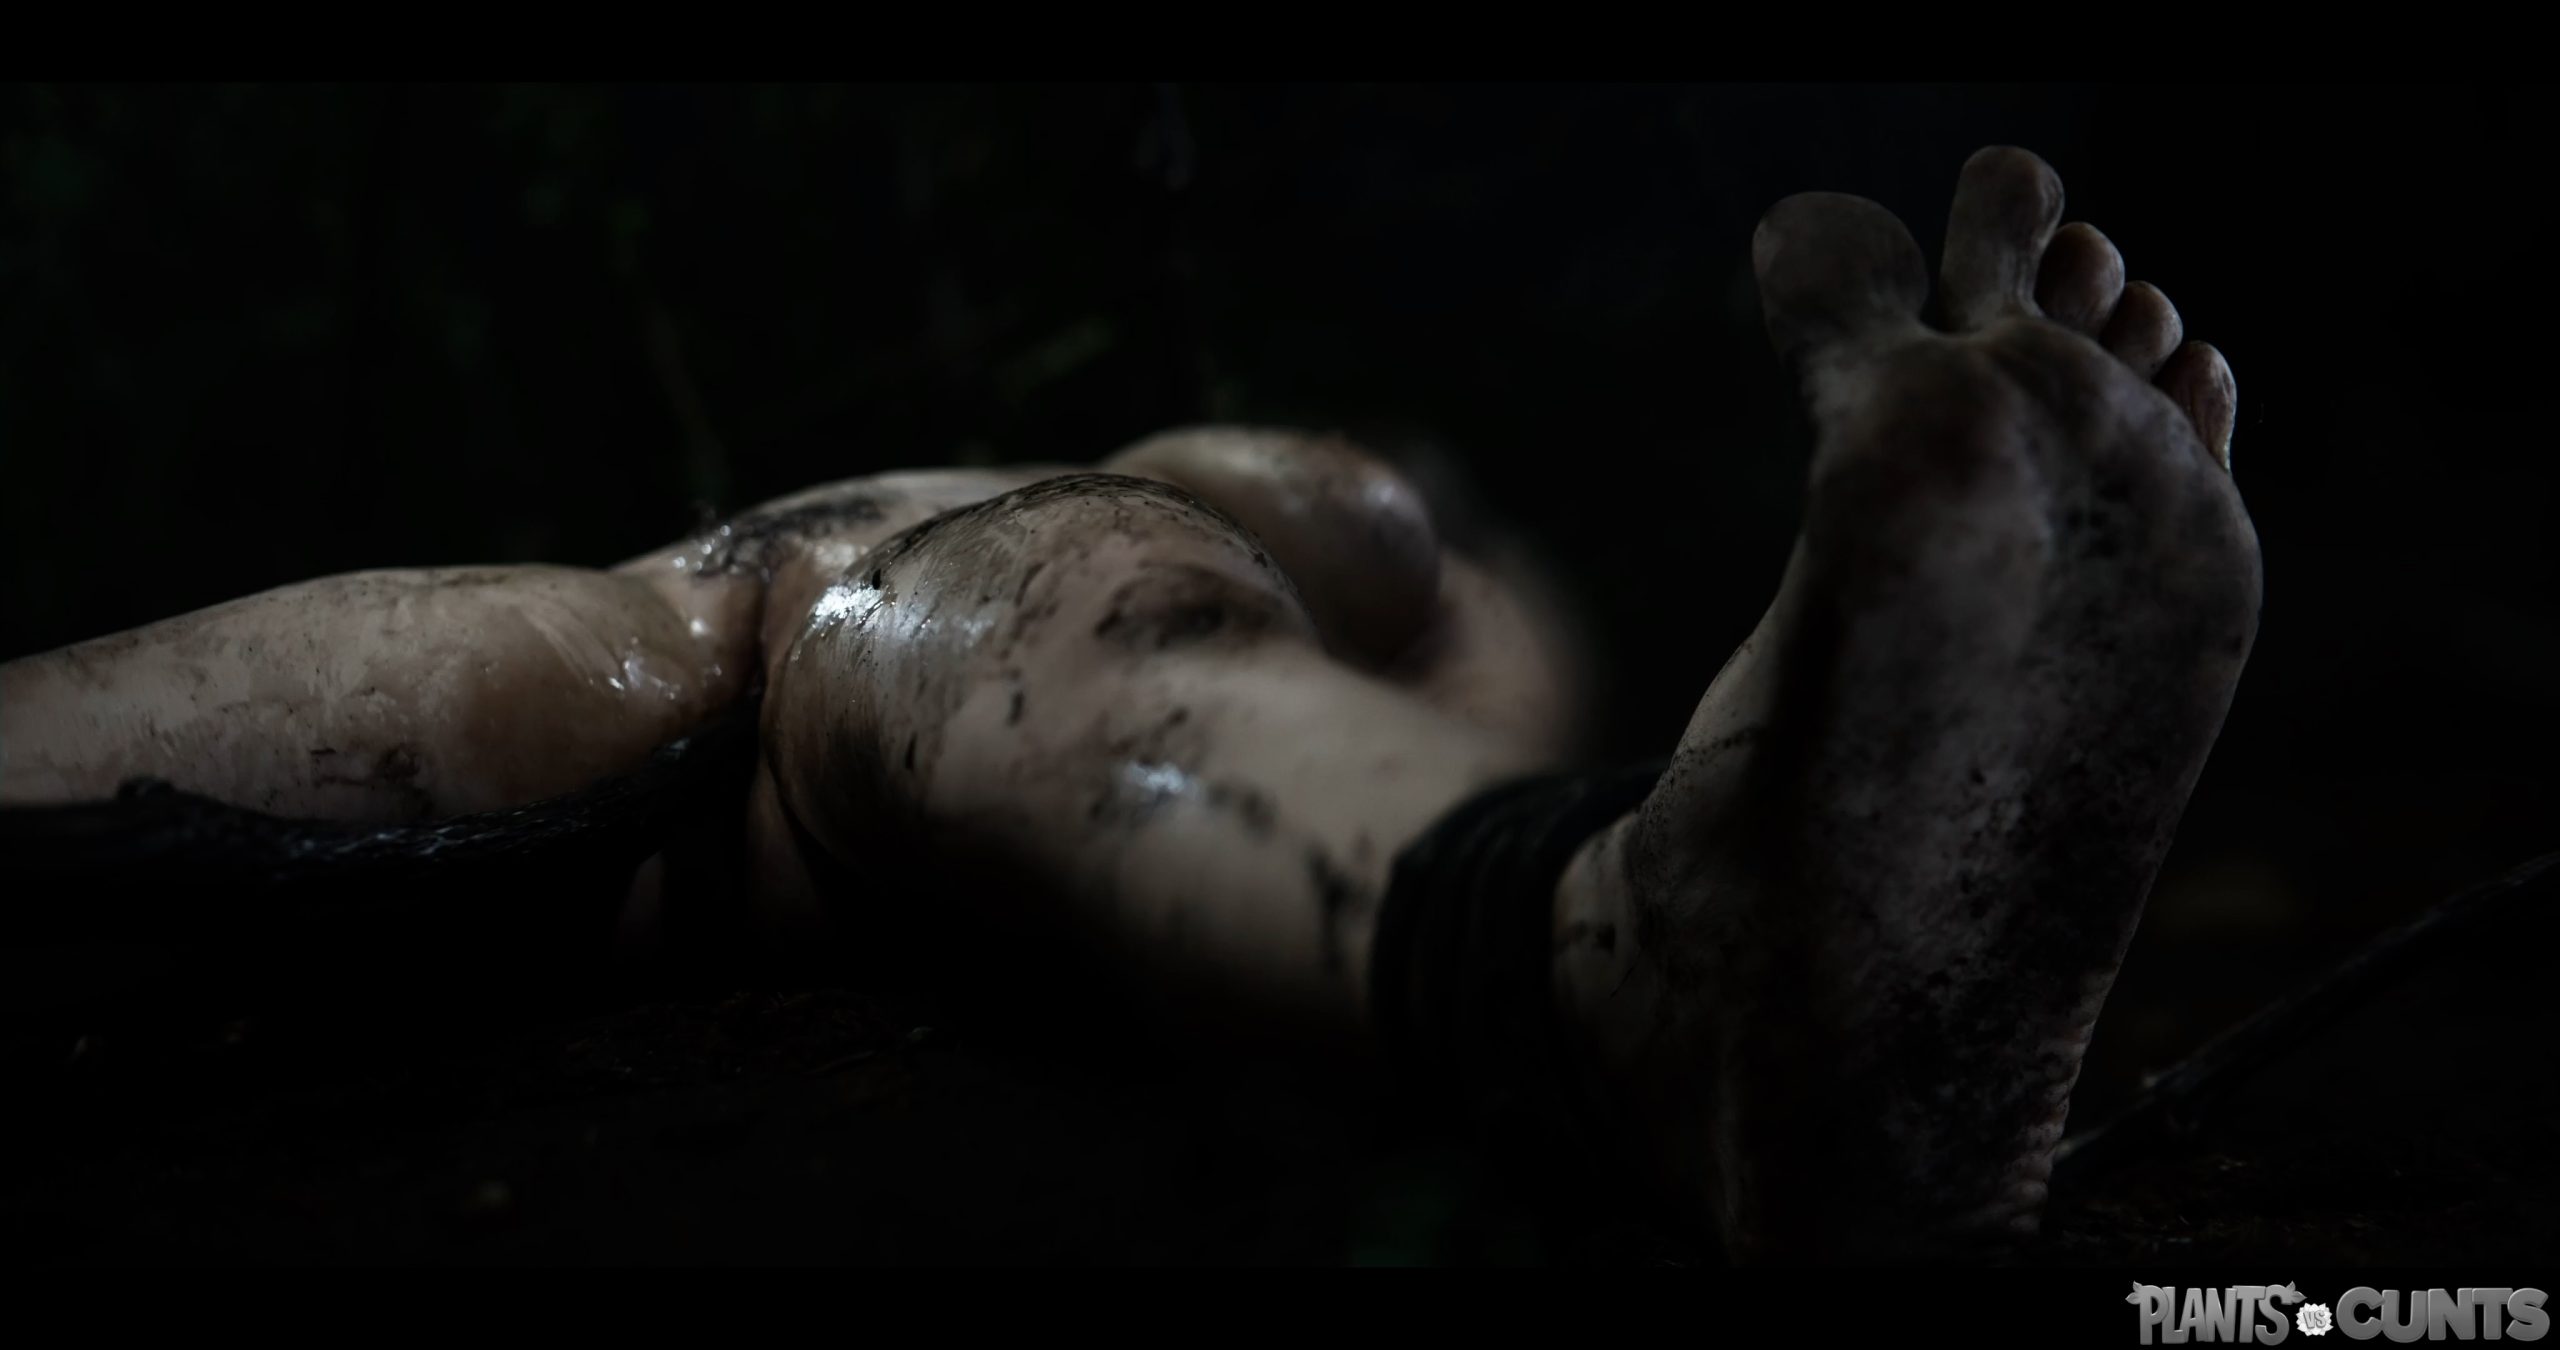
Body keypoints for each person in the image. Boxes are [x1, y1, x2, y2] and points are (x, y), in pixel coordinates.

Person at [0, 148, 2257, 1260]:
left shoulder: (1185, 559)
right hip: (863, 688)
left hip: (870, 657)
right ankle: (1628, 941)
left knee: (966, 631)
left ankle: (1634, 936)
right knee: (976, 635)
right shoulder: (1279, 554)